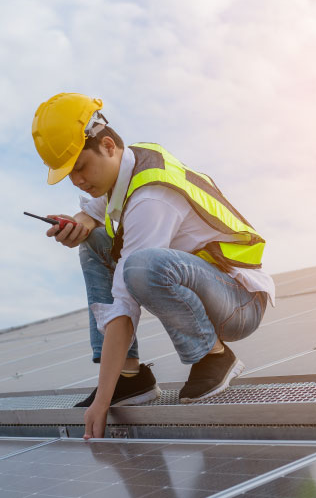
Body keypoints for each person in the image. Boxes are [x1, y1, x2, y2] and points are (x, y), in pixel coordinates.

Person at [31, 93, 275, 439]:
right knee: (94, 243)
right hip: (214, 290)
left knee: (141, 268)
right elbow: (96, 210)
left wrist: (101, 401)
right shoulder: (131, 163)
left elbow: (124, 306)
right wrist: (78, 224)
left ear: (108, 145)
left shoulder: (152, 198)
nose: (78, 180)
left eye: (81, 167)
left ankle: (213, 355)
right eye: (69, 174)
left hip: (240, 303)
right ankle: (129, 377)